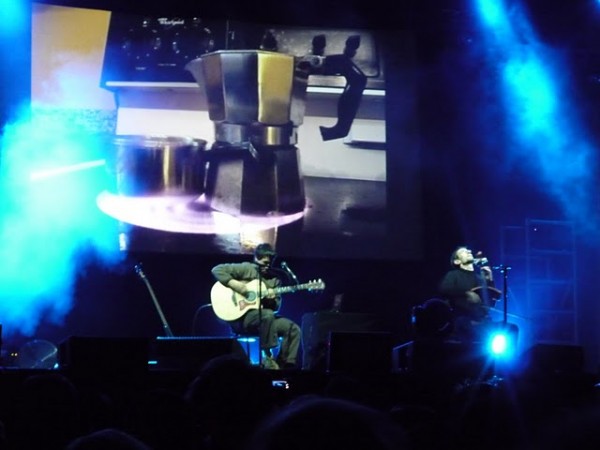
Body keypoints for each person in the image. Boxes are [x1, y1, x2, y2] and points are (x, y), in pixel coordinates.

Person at [211, 243, 302, 370]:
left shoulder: (274, 280)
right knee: (267, 315)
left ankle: (285, 365)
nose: (266, 266)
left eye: (269, 263)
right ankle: (267, 356)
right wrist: (237, 286)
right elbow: (217, 270)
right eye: (263, 263)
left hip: (265, 321)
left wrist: (271, 301)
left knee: (293, 328)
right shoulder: (247, 269)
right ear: (256, 258)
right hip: (243, 320)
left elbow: (276, 308)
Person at [438, 246, 501, 341]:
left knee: (511, 329)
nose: (469, 251)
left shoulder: (480, 278)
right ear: (457, 261)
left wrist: (490, 280)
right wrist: (467, 293)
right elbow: (444, 289)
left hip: (483, 321)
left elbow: (491, 304)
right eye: (463, 251)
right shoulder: (453, 274)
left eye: (468, 250)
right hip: (463, 319)